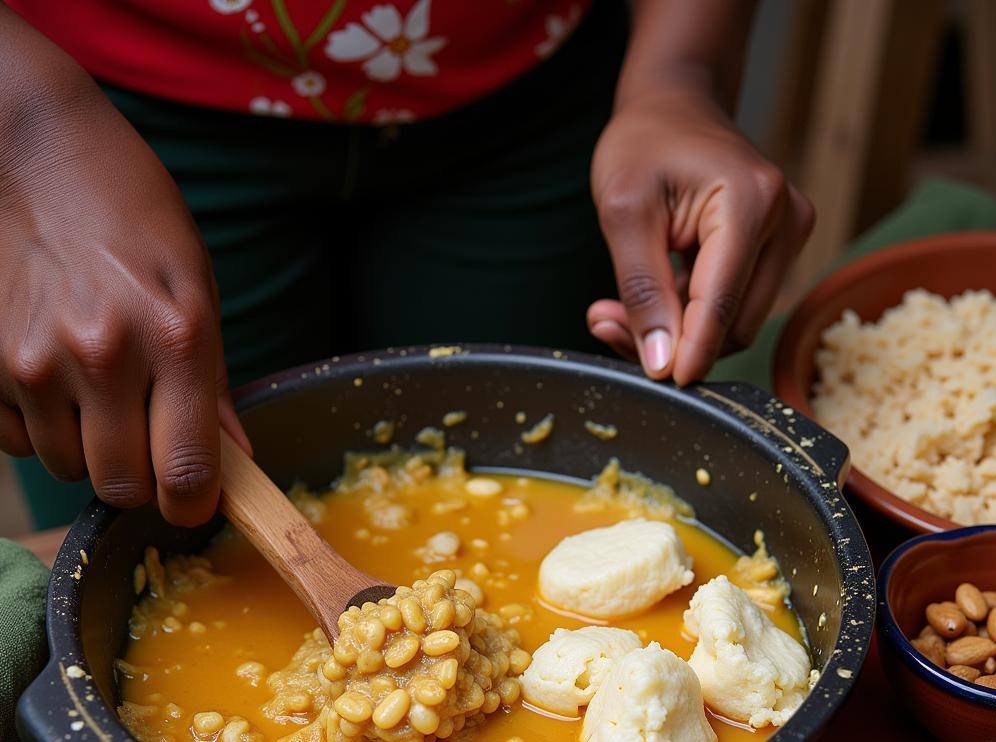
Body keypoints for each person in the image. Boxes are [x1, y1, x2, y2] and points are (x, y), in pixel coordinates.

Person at [0, 0, 812, 529]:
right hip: (93, 121)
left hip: (541, 96)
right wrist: (24, 133)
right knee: (141, 514)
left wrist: (678, 73)